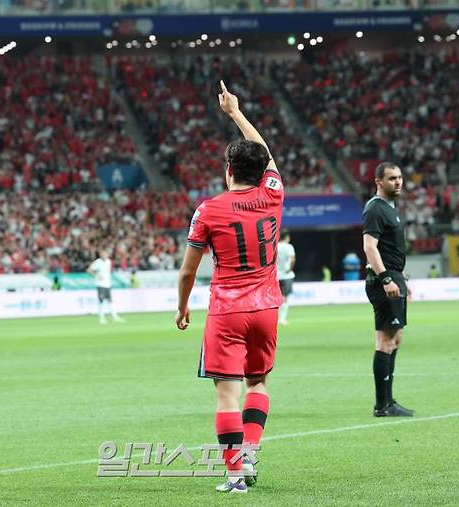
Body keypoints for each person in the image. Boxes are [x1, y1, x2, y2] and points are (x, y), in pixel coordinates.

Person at [175, 81, 285, 494]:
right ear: (262, 173)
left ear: (228, 171)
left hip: (226, 310)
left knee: (226, 395)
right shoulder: (273, 195)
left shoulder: (209, 209)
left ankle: (235, 474)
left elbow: (188, 271)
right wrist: (237, 114)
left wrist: (182, 307)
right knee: (258, 383)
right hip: (267, 307)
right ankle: (251, 452)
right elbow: (267, 155)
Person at [362, 162, 414, 418]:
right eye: (392, 178)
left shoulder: (390, 209)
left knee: (395, 339)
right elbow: (370, 247)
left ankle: (389, 401)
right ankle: (382, 405)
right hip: (383, 280)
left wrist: (401, 279)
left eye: (400, 177)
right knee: (385, 340)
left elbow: (390, 250)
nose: (398, 182)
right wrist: (385, 278)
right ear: (378, 182)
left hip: (394, 277)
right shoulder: (375, 209)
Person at [87, 249, 125, 324]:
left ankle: (115, 317)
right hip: (100, 284)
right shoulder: (97, 262)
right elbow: (89, 270)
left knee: (110, 301)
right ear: (100, 255)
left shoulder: (108, 261)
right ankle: (102, 318)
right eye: (102, 254)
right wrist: (96, 276)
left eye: (105, 254)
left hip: (108, 284)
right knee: (101, 302)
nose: (104, 255)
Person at [276, 231, 296, 325]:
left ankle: (275, 319)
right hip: (286, 275)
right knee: (285, 297)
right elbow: (292, 259)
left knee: (276, 298)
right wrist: (290, 269)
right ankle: (282, 319)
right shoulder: (289, 246)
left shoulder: (275, 246)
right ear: (287, 237)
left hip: (276, 276)